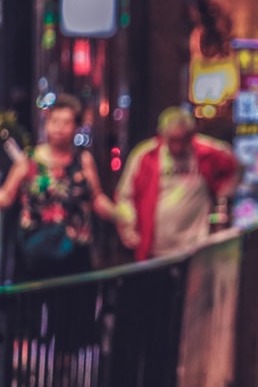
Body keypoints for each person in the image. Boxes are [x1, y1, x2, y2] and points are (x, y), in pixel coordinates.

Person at [0, 94, 117, 281]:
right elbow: (6, 195)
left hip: (75, 254)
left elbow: (96, 198)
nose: (59, 128)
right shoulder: (29, 160)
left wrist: (121, 216)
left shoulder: (83, 160)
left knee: (74, 307)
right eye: (54, 121)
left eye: (66, 122)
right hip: (36, 255)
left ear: (76, 127)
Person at [116, 106, 239, 260]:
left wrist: (222, 196)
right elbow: (125, 196)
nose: (178, 147)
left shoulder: (208, 153)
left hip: (195, 247)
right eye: (173, 140)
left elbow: (234, 169)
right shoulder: (145, 155)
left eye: (183, 140)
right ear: (162, 135)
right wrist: (129, 224)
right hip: (155, 249)